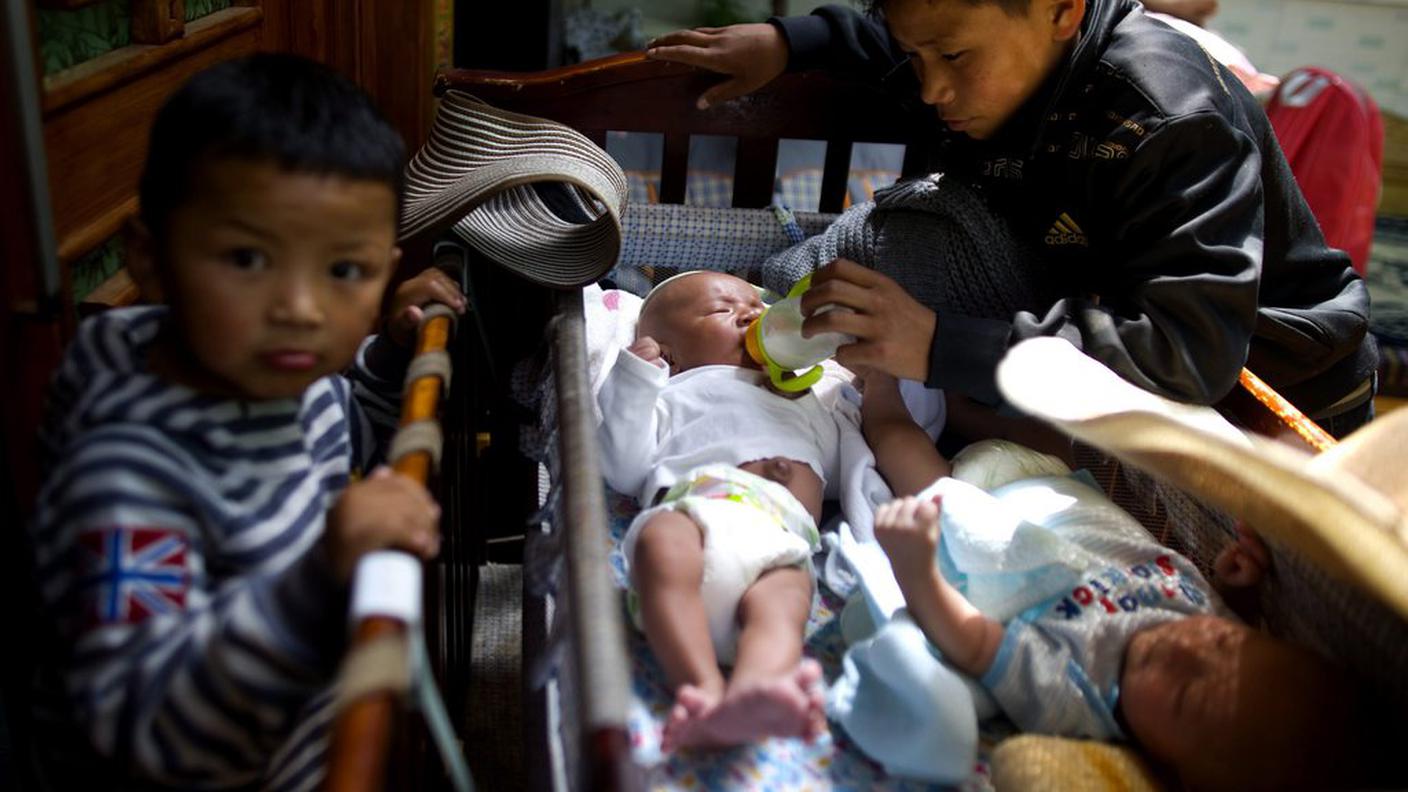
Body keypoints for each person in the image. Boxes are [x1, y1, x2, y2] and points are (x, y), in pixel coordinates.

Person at [28, 53, 466, 790]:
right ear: (151, 257)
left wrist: (391, 354)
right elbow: (149, 731)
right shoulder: (125, 476)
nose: (299, 308)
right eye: (246, 257)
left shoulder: (295, 380)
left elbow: (345, 432)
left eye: (343, 271)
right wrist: (322, 574)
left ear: (385, 268)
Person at [645, 0, 1377, 439]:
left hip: (1266, 390)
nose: (931, 88)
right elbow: (900, 39)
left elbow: (1185, 357)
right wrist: (791, 43)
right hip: (1093, 323)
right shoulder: (988, 49)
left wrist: (938, 344)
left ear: (1064, 10)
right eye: (914, 54)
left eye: (955, 56)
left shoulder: (1165, 119)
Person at [858, 369, 1358, 790]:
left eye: (1184, 694)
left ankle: (878, 394)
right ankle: (955, 398)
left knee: (913, 464)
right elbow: (1225, 619)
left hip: (977, 521)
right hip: (1060, 484)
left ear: (1165, 766)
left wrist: (916, 566)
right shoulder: (1221, 647)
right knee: (1044, 427)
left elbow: (975, 642)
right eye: (1225, 641)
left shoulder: (1079, 695)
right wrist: (1238, 592)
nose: (1182, 647)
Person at [598, 270, 873, 751]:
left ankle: (758, 685)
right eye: (724, 310)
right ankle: (701, 686)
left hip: (781, 535)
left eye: (758, 308)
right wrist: (636, 380)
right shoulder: (672, 392)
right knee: (661, 541)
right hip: (698, 515)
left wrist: (830, 396)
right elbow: (622, 465)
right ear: (671, 353)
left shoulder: (799, 397)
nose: (753, 315)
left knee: (786, 599)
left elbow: (834, 461)